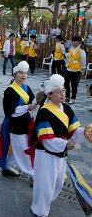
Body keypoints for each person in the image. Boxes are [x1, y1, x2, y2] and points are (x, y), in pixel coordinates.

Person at [30, 74, 87, 217]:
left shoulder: (67, 109)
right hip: (46, 154)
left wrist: (85, 133)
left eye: (64, 91)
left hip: (61, 153)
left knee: (58, 183)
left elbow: (74, 130)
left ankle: (44, 204)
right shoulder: (44, 112)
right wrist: (64, 144)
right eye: (60, 91)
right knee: (45, 185)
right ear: (50, 94)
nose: (63, 94)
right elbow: (46, 138)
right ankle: (40, 210)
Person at [0, 61, 37, 179]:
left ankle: (7, 166)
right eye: (20, 73)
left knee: (19, 148)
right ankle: (32, 175)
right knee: (23, 150)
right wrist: (28, 107)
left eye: (25, 73)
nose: (23, 75)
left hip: (26, 124)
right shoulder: (9, 91)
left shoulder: (27, 87)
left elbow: (33, 101)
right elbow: (11, 111)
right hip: (15, 125)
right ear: (14, 74)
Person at [64, 36, 86, 104]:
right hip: (68, 69)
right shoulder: (71, 49)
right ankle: (67, 97)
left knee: (74, 85)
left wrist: (82, 69)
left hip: (76, 71)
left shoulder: (81, 51)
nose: (73, 42)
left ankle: (73, 98)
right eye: (72, 41)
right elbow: (69, 57)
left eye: (75, 41)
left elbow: (83, 61)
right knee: (66, 84)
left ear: (79, 42)